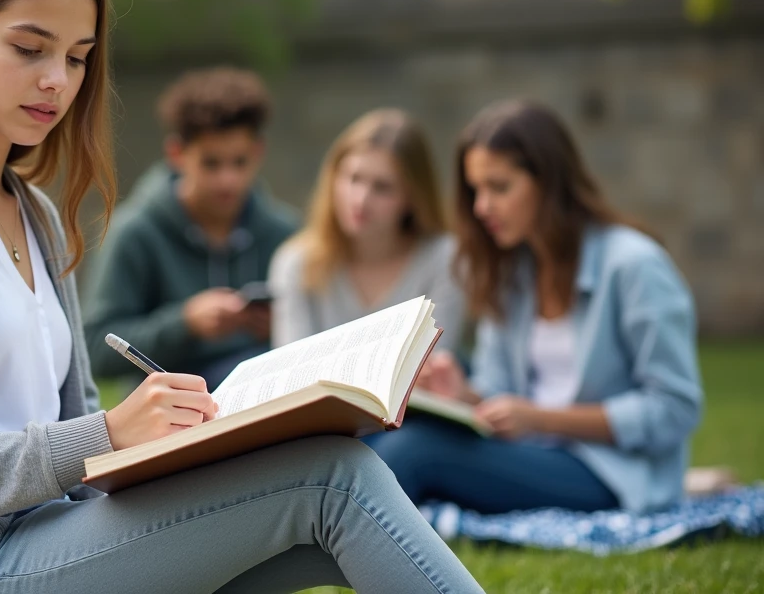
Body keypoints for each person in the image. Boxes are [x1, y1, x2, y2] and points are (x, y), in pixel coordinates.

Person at [0, 0, 482, 594]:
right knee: (332, 481)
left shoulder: (33, 212)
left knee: (332, 501)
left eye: (76, 57)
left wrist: (186, 445)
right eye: (30, 48)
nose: (57, 81)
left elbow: (74, 429)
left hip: (63, 533)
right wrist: (105, 434)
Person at [366, 100, 703, 515]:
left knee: (417, 451)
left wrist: (542, 419)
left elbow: (675, 408)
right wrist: (463, 396)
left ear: (549, 182)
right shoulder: (513, 272)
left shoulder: (634, 265)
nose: (481, 207)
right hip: (529, 452)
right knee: (385, 433)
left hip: (611, 471)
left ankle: (336, 542)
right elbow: (500, 391)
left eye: (499, 187)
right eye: (475, 190)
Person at [83, 67, 299, 387]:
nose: (228, 180)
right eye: (211, 163)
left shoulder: (285, 233)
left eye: (240, 162)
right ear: (177, 154)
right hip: (171, 401)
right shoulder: (134, 233)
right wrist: (185, 323)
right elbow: (95, 348)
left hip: (265, 392)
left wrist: (281, 325)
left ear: (258, 152)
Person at [269, 108, 467, 356]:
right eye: (353, 179)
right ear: (332, 177)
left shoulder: (446, 260)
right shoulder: (296, 263)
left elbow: (431, 363)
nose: (361, 200)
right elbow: (290, 363)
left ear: (412, 196)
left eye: (382, 187)